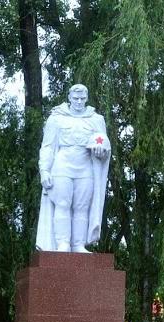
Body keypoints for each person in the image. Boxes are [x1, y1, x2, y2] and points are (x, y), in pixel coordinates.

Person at [35, 84, 111, 252]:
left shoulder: (96, 119)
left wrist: (101, 151)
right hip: (62, 166)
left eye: (82, 98)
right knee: (62, 204)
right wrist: (45, 170)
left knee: (81, 207)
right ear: (69, 97)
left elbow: (104, 147)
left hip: (85, 167)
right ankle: (63, 243)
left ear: (87, 98)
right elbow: (47, 147)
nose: (79, 101)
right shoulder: (56, 118)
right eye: (75, 98)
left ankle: (78, 244)